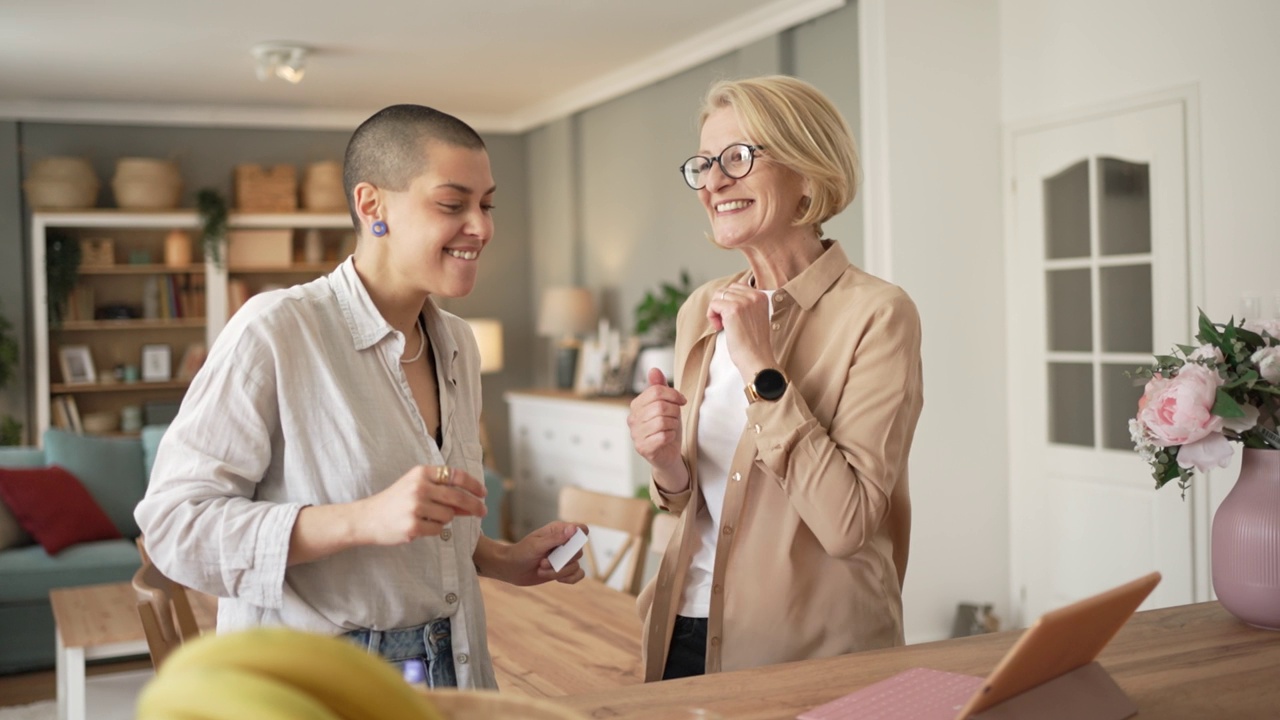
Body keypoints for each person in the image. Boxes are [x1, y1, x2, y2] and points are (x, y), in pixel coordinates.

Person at [135, 104, 586, 690]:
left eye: (487, 203)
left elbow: (424, 535)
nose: (482, 226)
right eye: (452, 204)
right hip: (317, 686)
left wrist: (499, 558)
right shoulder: (275, 330)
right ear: (373, 206)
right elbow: (174, 528)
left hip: (457, 669)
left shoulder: (458, 345)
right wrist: (358, 520)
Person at [627, 76, 924, 681]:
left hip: (811, 655)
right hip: (681, 629)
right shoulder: (700, 308)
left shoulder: (879, 313)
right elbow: (687, 498)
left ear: (809, 174)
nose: (712, 182)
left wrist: (764, 370)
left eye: (737, 158)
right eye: (705, 164)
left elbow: (846, 525)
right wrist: (662, 460)